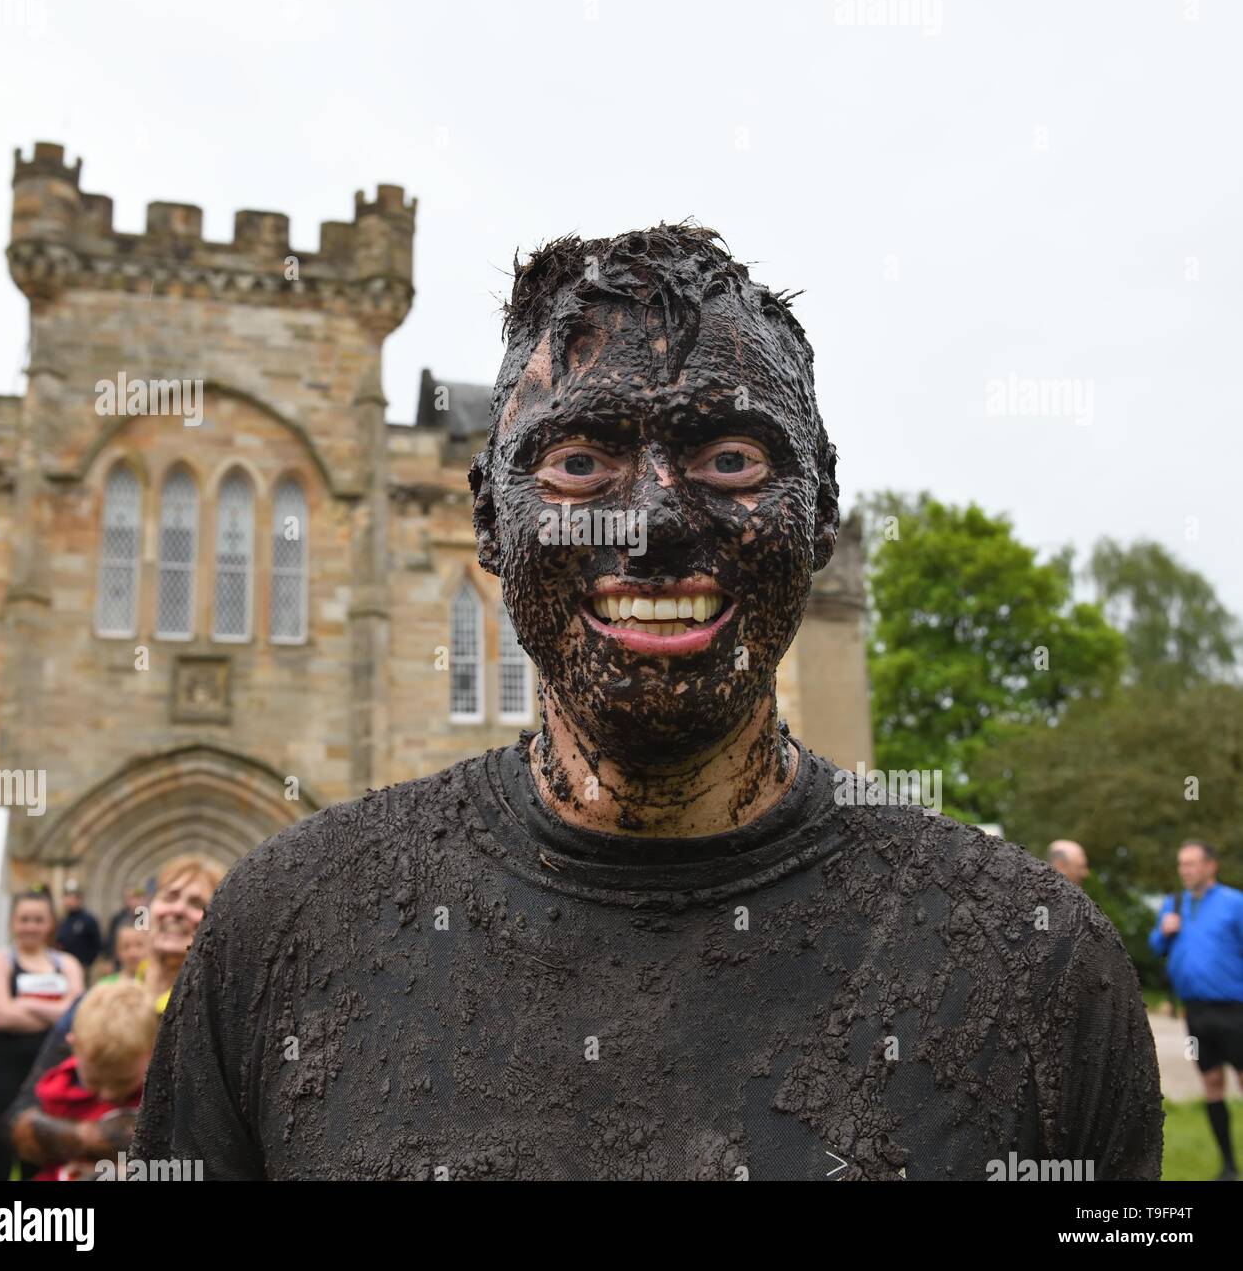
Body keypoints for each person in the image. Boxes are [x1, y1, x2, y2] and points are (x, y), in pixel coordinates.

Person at [132, 223, 1162, 1180]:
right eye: (581, 462)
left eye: (730, 459)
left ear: (822, 517)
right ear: (491, 517)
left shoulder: (1031, 963)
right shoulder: (282, 934)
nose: (658, 521)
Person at [6, 855, 221, 1174]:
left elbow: (217, 1139)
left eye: (195, 903)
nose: (177, 909)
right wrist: (98, 1134)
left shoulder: (219, 1017)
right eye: (170, 897)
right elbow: (21, 1120)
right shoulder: (98, 1002)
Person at [1149, 840, 1243, 1180]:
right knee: (1211, 1080)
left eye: (1190, 864)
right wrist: (1163, 931)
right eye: (1180, 864)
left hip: (1236, 1009)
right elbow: (1154, 946)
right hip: (1195, 1012)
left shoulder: (1235, 903)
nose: (1184, 871)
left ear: (1210, 866)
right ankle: (1229, 1165)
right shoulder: (1173, 904)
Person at [0, 890, 84, 1180]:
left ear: (50, 923)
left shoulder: (67, 964)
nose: (30, 926)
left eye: (38, 919)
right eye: (24, 919)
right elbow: (1, 1016)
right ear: (13, 922)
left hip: (52, 1075)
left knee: (41, 1156)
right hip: (4, 1073)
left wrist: (25, 1004)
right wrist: (55, 1012)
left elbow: (76, 1014)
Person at [31, 980, 157, 1180]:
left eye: (121, 1081)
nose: (108, 1094)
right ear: (73, 1047)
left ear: (152, 1052)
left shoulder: (162, 1096)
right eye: (95, 1081)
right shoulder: (56, 1092)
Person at [54, 884, 103, 972]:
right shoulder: (63, 920)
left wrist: (88, 962)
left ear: (79, 899)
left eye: (72, 897)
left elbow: (96, 943)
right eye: (67, 897)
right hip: (63, 965)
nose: (69, 901)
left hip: (81, 966)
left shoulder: (88, 920)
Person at [104, 886, 146, 969]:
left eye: (137, 898)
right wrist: (108, 960)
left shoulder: (148, 918)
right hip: (120, 963)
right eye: (131, 898)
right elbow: (111, 940)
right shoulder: (118, 918)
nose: (134, 902)